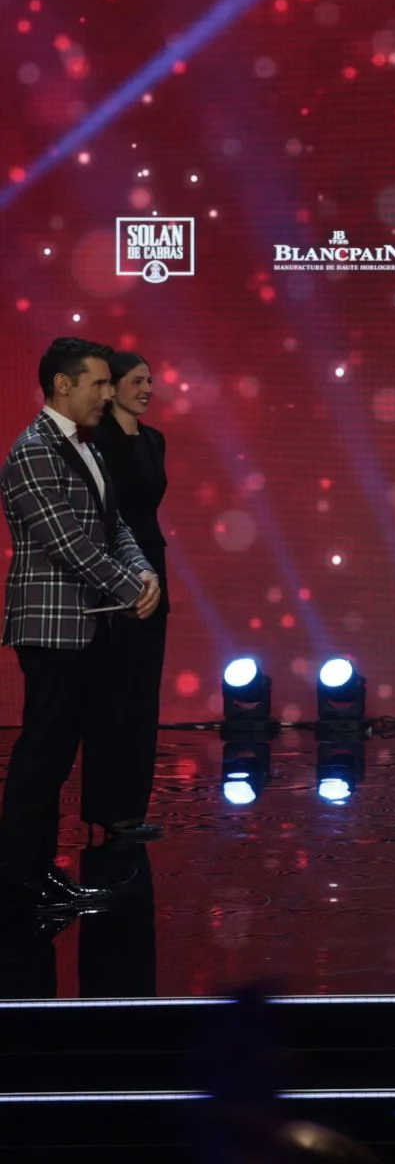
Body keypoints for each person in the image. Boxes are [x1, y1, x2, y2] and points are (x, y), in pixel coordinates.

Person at [0, 338, 162, 916]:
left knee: (59, 754)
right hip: (52, 627)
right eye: (97, 383)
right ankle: (19, 875)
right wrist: (128, 588)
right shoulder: (32, 451)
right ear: (62, 385)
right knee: (42, 753)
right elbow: (67, 542)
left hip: (88, 625)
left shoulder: (84, 447)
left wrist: (142, 571)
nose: (106, 392)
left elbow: (114, 526)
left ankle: (39, 873)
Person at [85, 350, 171, 844]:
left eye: (150, 380)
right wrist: (121, 574)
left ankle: (131, 811)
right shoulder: (95, 442)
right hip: (112, 573)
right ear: (112, 387)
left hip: (153, 569)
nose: (146, 388)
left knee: (143, 695)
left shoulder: (156, 440)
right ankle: (107, 810)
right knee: (112, 697)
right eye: (137, 380)